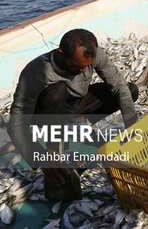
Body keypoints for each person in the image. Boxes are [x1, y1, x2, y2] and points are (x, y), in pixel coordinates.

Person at [8, 28, 139, 200]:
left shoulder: (94, 54)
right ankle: (56, 154)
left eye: (87, 66)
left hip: (75, 106)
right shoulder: (37, 71)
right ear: (61, 54)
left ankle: (76, 124)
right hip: (47, 114)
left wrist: (132, 126)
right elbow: (16, 120)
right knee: (57, 91)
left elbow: (119, 87)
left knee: (130, 90)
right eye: (78, 66)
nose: (84, 71)